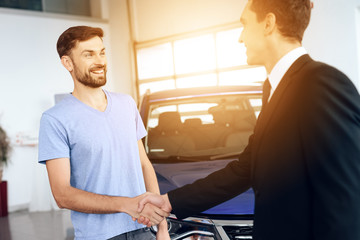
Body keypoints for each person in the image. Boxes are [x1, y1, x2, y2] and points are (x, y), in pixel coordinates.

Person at [137, 0, 360, 239]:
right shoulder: (272, 88)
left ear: (268, 24)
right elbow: (245, 169)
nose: (240, 38)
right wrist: (169, 200)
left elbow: (345, 201)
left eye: (244, 24)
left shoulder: (320, 84)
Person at [38, 26, 170, 240]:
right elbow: (62, 195)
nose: (100, 61)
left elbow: (144, 165)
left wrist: (161, 226)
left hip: (144, 230)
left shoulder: (127, 104)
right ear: (67, 63)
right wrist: (126, 205)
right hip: (98, 236)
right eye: (88, 54)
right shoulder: (55, 119)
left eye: (102, 52)